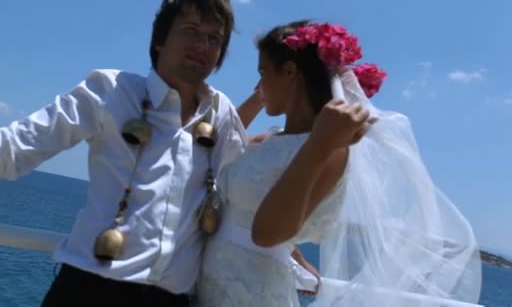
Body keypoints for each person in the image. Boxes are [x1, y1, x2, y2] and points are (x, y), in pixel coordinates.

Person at [0, 0, 263, 306]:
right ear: (160, 39)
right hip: (90, 291)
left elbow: (243, 191)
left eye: (215, 38)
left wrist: (290, 256)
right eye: (191, 30)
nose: (203, 44)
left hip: (173, 300)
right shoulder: (112, 91)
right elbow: (9, 150)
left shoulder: (221, 116)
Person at [196, 20, 482, 306]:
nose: (258, 84)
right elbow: (220, 147)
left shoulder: (329, 151)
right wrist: (262, 97)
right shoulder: (269, 141)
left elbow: (267, 233)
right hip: (211, 281)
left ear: (290, 72)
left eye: (262, 72)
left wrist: (319, 144)